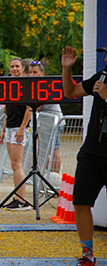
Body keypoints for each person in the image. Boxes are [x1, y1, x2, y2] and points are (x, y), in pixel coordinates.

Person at [61, 45, 107, 266]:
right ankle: (87, 255)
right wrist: (66, 69)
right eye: (105, 53)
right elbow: (70, 92)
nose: (106, 57)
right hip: (91, 152)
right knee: (80, 202)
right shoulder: (102, 77)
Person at [0, 57, 32, 211]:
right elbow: (7, 111)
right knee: (13, 165)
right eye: (12, 67)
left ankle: (23, 200)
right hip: (10, 126)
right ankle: (17, 197)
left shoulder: (25, 85)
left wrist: (22, 128)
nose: (14, 69)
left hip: (20, 127)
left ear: (22, 68)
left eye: (17, 66)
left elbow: (29, 109)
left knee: (17, 164)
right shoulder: (9, 86)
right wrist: (3, 129)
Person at [28, 61, 65, 173]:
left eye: (35, 72)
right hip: (45, 123)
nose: (32, 75)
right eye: (30, 72)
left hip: (54, 122)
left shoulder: (44, 85)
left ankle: (55, 177)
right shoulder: (34, 85)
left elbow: (37, 107)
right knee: (44, 151)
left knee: (54, 150)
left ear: (42, 73)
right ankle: (48, 174)